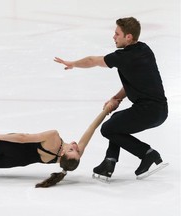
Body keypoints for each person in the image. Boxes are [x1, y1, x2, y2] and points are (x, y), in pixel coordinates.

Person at [54, 17, 168, 180]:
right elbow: (134, 82)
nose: (114, 37)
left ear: (128, 37)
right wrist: (117, 98)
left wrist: (73, 63)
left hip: (148, 110)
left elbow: (93, 60)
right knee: (115, 121)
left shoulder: (123, 57)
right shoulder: (144, 49)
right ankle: (109, 162)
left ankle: (147, 154)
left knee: (108, 129)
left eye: (117, 34)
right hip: (159, 110)